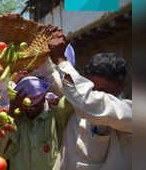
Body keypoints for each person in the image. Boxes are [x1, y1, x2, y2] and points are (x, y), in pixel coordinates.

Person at [48, 32, 132, 170]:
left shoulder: (129, 114)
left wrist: (61, 60)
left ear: (121, 87)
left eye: (103, 90)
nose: (96, 94)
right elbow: (54, 81)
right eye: (92, 88)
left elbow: (88, 101)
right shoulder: (76, 105)